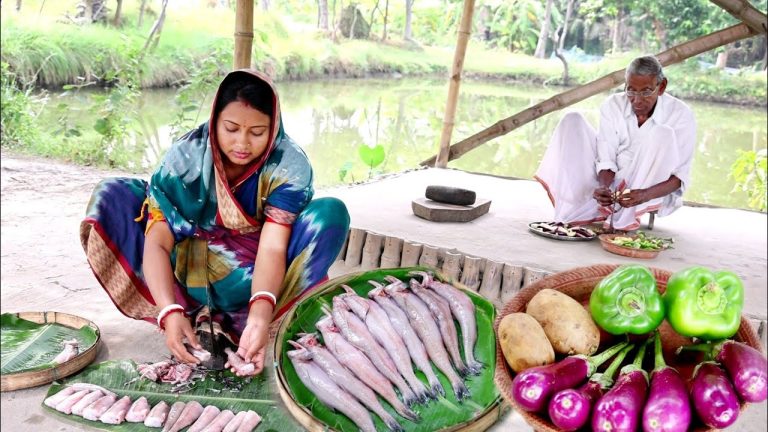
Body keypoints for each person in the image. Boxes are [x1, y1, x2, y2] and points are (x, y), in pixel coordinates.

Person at [80, 69, 350, 375]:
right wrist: (168, 311)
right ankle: (187, 312)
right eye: (231, 128)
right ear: (215, 120)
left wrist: (260, 314)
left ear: (273, 127)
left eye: (257, 132)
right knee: (112, 194)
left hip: (254, 277)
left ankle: (250, 322)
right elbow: (156, 241)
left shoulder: (289, 165)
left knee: (329, 215)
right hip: (186, 270)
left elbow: (274, 247)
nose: (242, 143)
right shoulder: (185, 159)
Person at [535, 55, 696, 231]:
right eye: (631, 90)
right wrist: (603, 187)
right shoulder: (613, 105)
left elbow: (679, 177)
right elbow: (606, 157)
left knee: (662, 133)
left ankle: (624, 219)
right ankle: (591, 206)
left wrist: (644, 195)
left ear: (662, 86)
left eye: (646, 91)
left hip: (650, 189)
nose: (637, 99)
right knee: (572, 120)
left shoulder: (681, 114)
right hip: (611, 181)